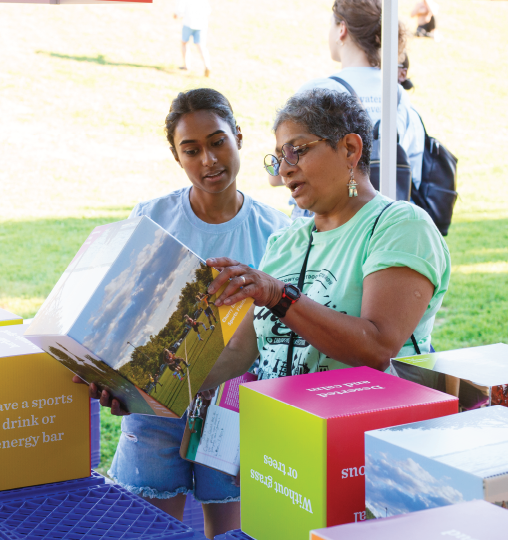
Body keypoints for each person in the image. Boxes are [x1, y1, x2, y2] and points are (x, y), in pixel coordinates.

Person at [81, 88, 289, 537]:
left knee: (232, 533)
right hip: (157, 408)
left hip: (236, 407)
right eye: (191, 150)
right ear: (176, 157)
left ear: (238, 137)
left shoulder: (278, 231)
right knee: (151, 531)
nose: (208, 160)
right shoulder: (150, 219)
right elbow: (122, 315)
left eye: (217, 142)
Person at [200, 88, 449, 385]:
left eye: (297, 151)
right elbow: (240, 350)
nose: (283, 170)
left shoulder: (401, 226)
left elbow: (377, 349)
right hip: (278, 426)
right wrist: (150, 389)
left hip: (366, 426)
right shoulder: (285, 241)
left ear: (350, 149)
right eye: (279, 157)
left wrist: (278, 295)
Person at [270, 0, 425, 218]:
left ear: (341, 29)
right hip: (386, 218)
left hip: (323, 224)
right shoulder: (399, 96)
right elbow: (415, 170)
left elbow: (278, 173)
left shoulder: (317, 92)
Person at [174, 0, 212, 77]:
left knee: (184, 43)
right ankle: (207, 65)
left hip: (188, 23)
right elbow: (208, 11)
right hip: (201, 24)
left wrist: (177, 15)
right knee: (201, 46)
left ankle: (186, 65)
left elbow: (179, 10)